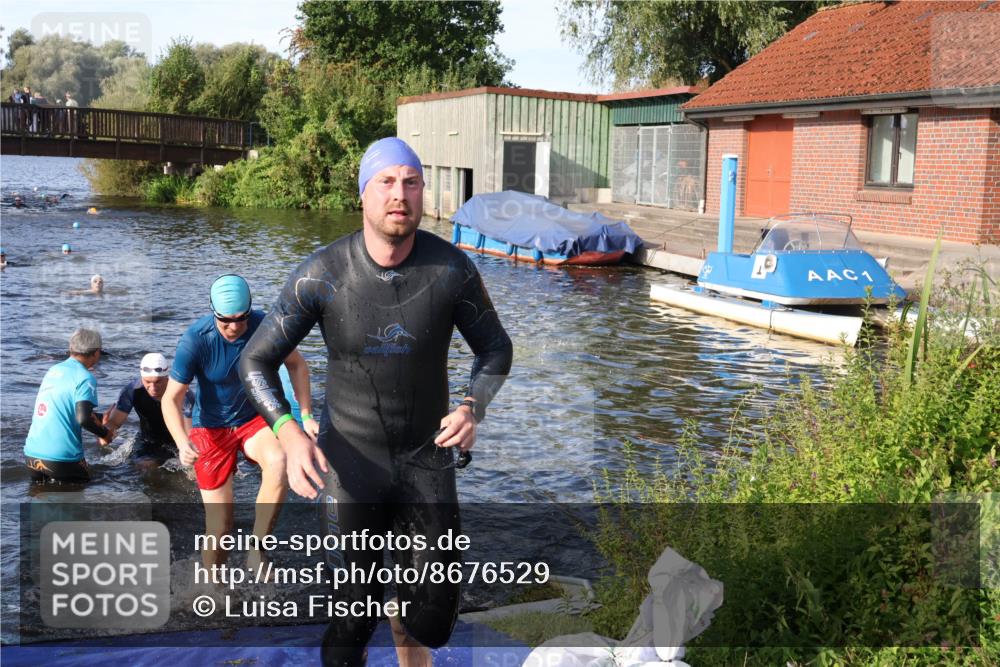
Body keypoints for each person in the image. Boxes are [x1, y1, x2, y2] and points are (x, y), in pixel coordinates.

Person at [240, 137, 513, 667]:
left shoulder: (451, 270)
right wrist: (289, 431)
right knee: (351, 618)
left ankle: (403, 616)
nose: (399, 194)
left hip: (426, 461)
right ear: (363, 193)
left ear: (423, 192)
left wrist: (470, 407)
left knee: (431, 621)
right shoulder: (321, 274)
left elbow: (496, 349)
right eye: (386, 182)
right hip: (350, 462)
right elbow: (253, 361)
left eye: (411, 182)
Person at [162, 274, 313, 572]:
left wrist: (306, 415)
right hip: (210, 427)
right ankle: (212, 586)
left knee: (280, 459)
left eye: (240, 319)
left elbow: (296, 364)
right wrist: (182, 441)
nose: (234, 327)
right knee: (220, 529)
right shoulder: (196, 339)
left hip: (253, 418)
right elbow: (171, 399)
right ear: (213, 313)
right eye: (225, 321)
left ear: (250, 311)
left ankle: (257, 549)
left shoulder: (264, 325)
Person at [23, 328, 112, 483]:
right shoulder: (85, 377)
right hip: (62, 458)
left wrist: (99, 417)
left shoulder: (53, 370)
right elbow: (83, 418)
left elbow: (62, 409)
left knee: (40, 501)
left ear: (71, 349)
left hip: (32, 455)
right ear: (97, 352)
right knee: (84, 495)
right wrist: (105, 434)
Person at [101, 353, 196, 470]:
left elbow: (190, 434)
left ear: (167, 378)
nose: (153, 387)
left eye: (158, 382)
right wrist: (104, 432)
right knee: (145, 467)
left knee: (193, 474)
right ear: (141, 378)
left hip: (177, 442)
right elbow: (114, 423)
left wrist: (189, 454)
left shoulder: (182, 394)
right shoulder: (132, 391)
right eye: (147, 382)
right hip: (149, 441)